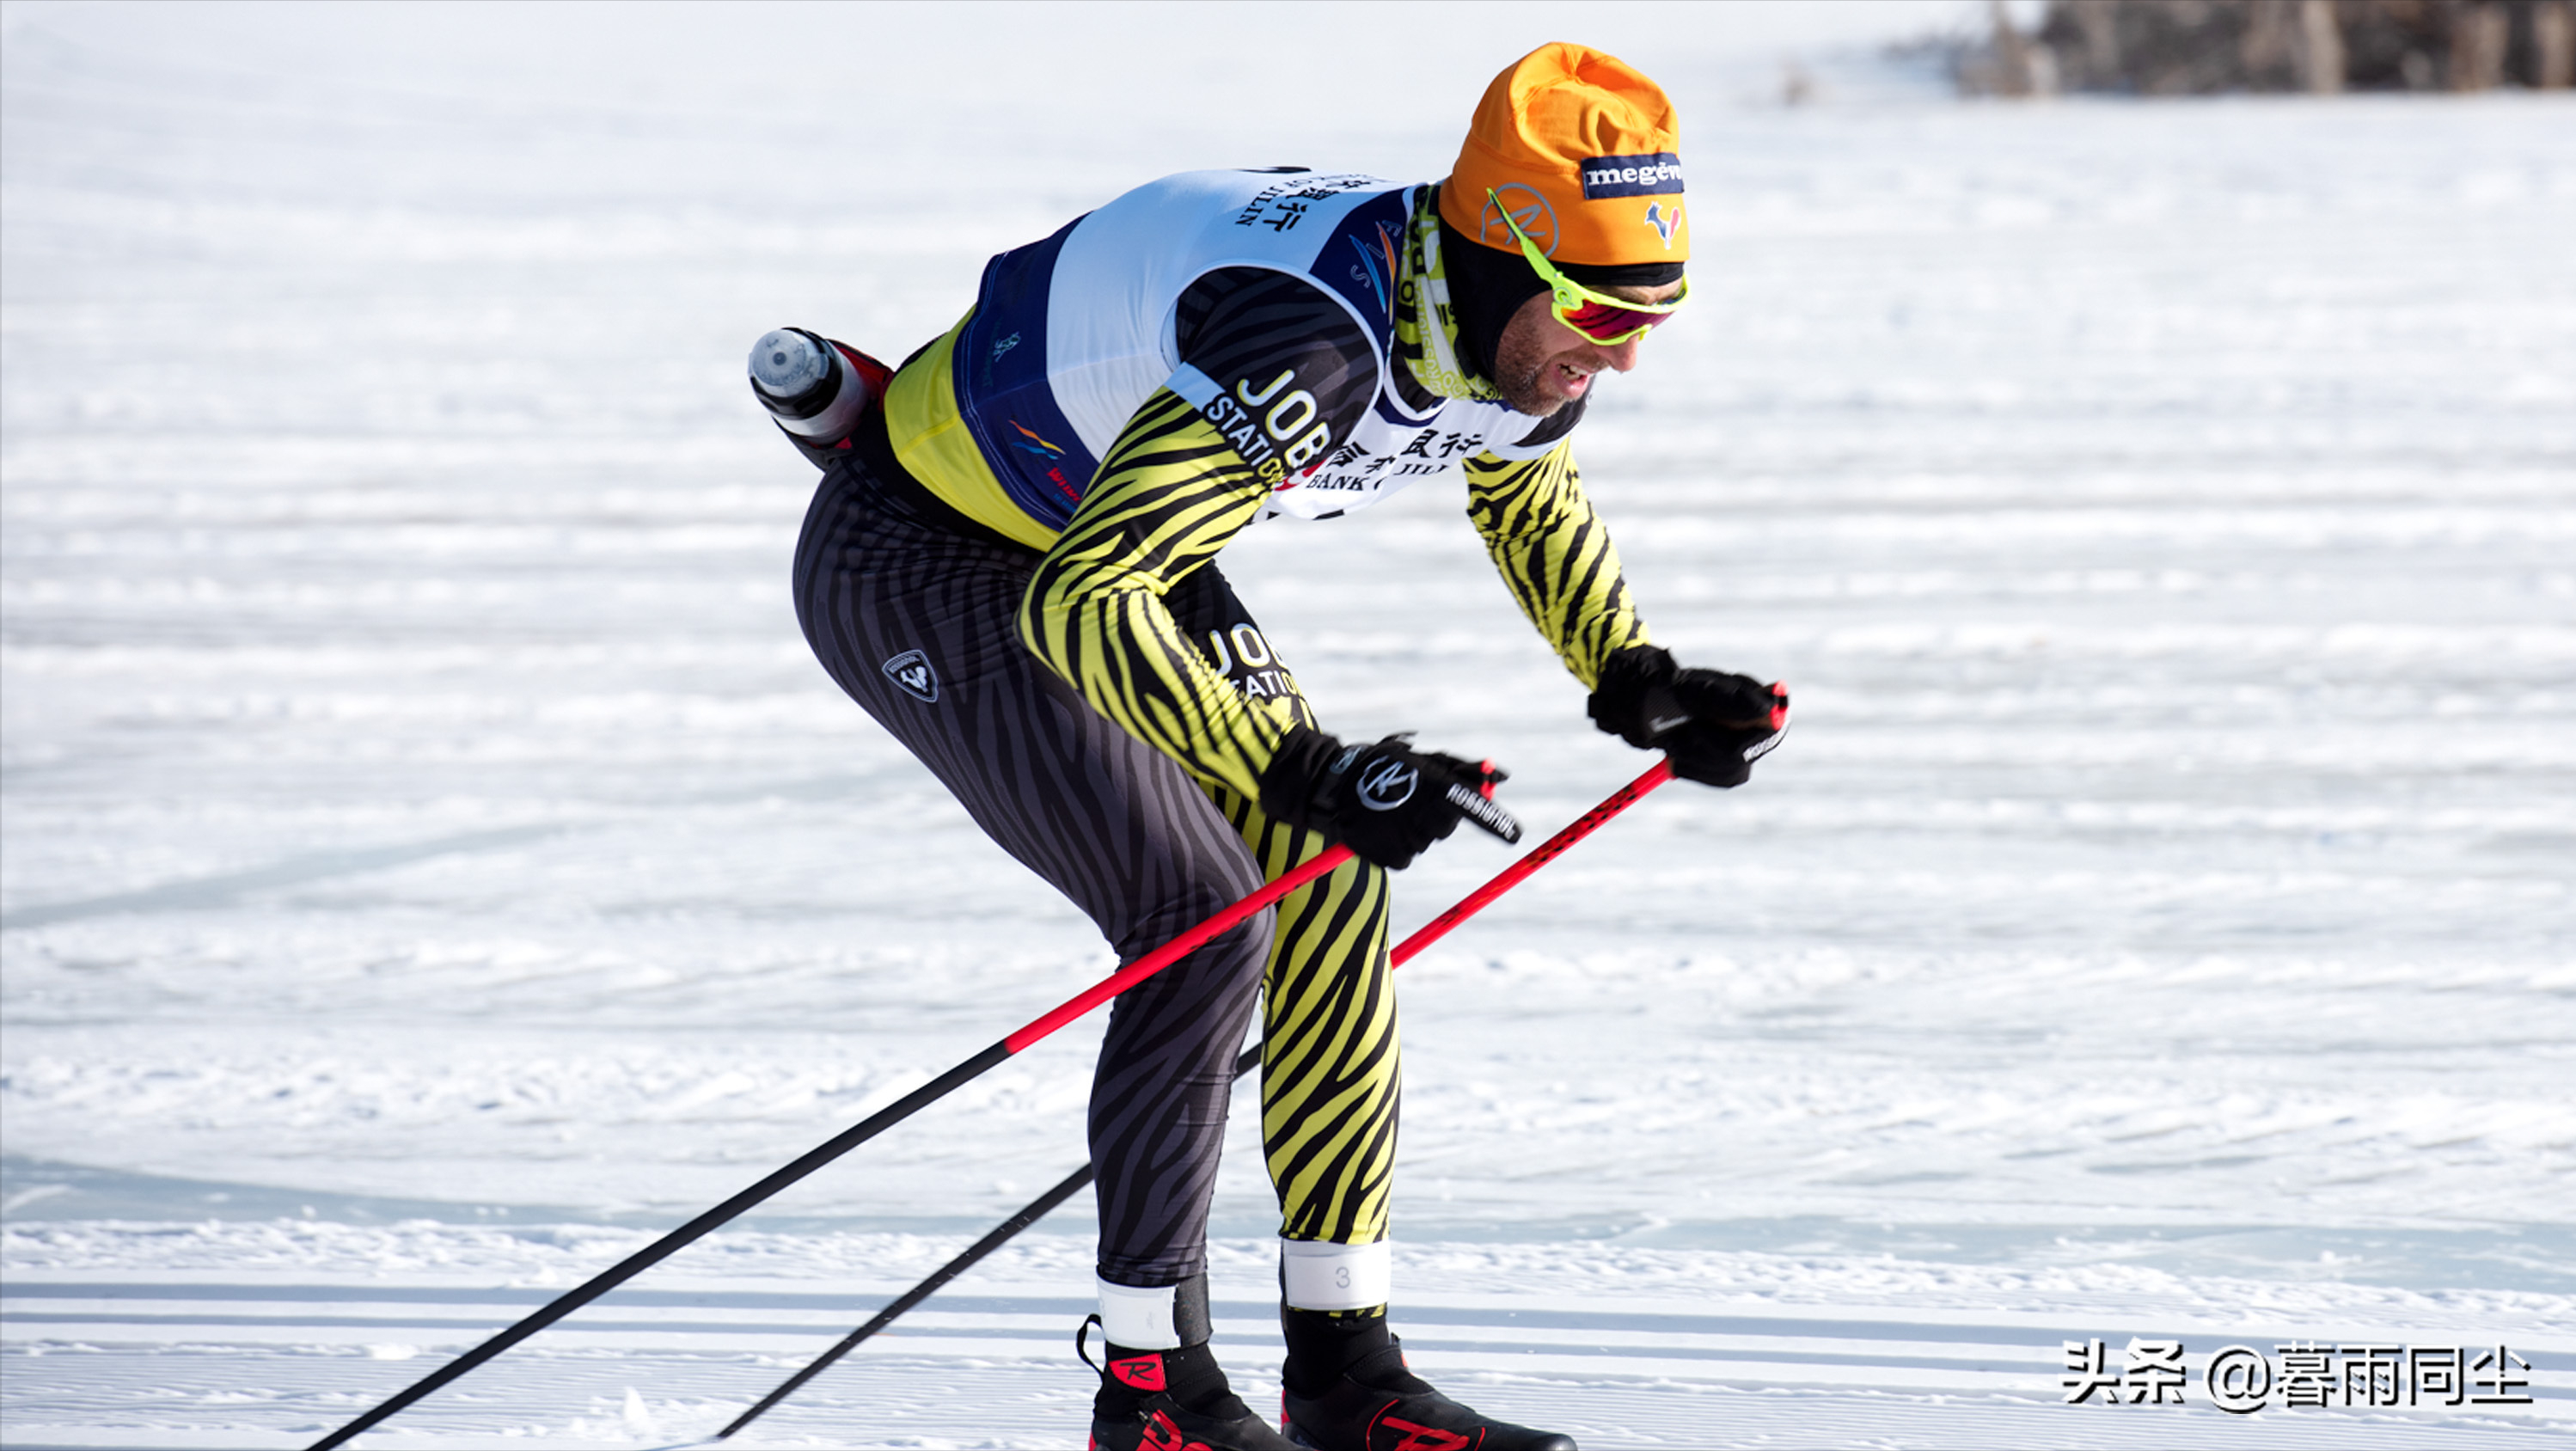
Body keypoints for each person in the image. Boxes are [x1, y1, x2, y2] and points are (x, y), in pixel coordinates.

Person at [757, 43, 1786, 1451]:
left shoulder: (1498, 320)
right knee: (1203, 917)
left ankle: (1346, 1371)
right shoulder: (1312, 340)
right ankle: (1151, 1395)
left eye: (1651, 317)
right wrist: (1302, 769)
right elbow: (1083, 603)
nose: (1614, 353)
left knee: (1325, 877)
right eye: (1599, 311)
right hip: (928, 561)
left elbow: (1519, 475)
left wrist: (1634, 673)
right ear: (1501, 257)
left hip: (1095, 530)